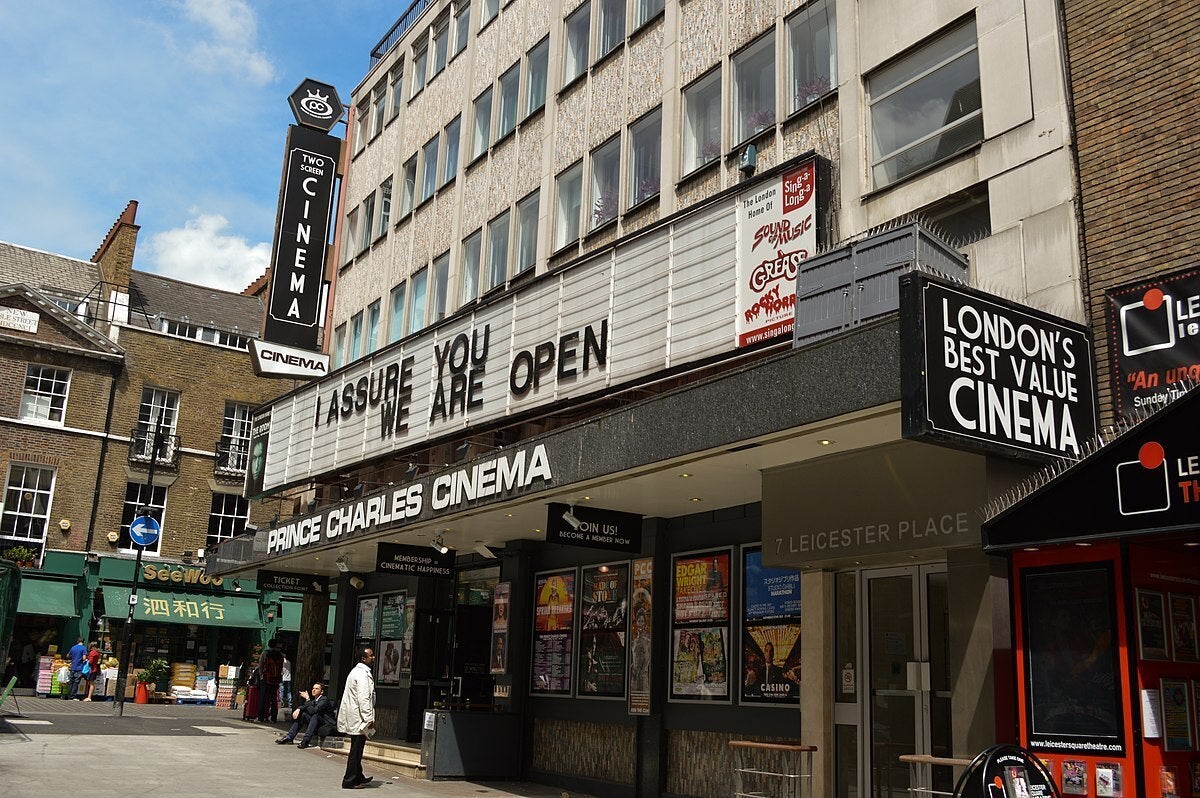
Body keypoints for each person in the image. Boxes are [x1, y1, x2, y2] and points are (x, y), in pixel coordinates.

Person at [337, 646, 376, 789]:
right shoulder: (361, 675)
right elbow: (363, 698)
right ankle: (349, 780)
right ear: (363, 658)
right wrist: (368, 718)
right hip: (359, 719)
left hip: (356, 717)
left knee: (357, 749)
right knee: (356, 750)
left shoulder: (358, 672)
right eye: (370, 655)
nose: (373, 658)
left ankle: (358, 776)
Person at [276, 682, 336, 748]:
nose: (314, 690)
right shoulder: (315, 700)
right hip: (317, 723)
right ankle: (289, 737)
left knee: (315, 716)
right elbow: (305, 706)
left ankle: (306, 740)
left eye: (316, 689)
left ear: (321, 692)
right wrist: (298, 709)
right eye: (313, 688)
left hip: (327, 725)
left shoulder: (324, 700)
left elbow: (313, 711)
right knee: (303, 715)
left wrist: (307, 699)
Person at [257, 638, 284, 723]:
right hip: (276, 679)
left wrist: (261, 676)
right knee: (274, 699)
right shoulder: (280, 655)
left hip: (266, 678)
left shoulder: (265, 653)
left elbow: (261, 665)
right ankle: (273, 718)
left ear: (268, 645)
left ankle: (261, 717)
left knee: (263, 698)